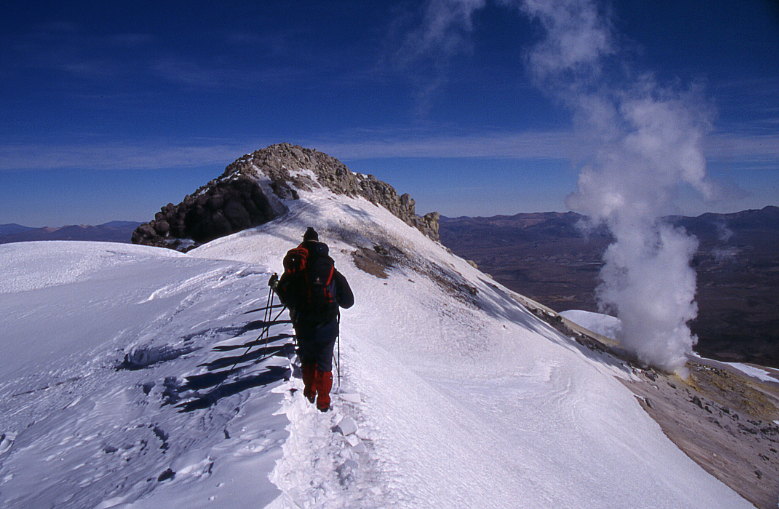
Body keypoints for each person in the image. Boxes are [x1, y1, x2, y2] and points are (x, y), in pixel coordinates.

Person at [270, 227, 354, 411]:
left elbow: (287, 298)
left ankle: (310, 391)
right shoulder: (332, 271)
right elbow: (348, 302)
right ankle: (324, 401)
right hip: (328, 323)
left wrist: (277, 286)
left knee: (308, 358)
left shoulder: (298, 270)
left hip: (304, 323)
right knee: (324, 362)